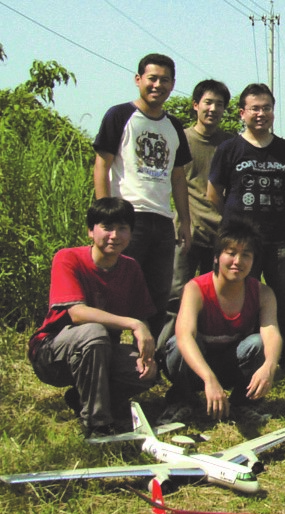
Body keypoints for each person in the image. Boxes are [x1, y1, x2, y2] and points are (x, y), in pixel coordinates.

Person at [27, 198, 158, 438]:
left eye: (122, 228)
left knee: (142, 372)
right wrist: (133, 324)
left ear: (131, 233)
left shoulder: (130, 268)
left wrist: (146, 356)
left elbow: (142, 316)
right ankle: (98, 425)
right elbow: (77, 313)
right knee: (94, 331)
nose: (114, 235)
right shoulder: (68, 258)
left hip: (100, 352)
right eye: (107, 227)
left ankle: (82, 398)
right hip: (51, 353)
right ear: (90, 230)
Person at [207, 83, 285, 369]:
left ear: (273, 112)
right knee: (238, 296)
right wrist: (234, 222)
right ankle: (241, 355)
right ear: (242, 113)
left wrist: (280, 219)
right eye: (255, 108)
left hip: (278, 239)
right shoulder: (229, 148)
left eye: (267, 108)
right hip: (240, 243)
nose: (261, 114)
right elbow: (213, 194)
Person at [93, 53, 192, 340]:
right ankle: (107, 349)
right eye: (152, 78)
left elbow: (178, 177)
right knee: (116, 288)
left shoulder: (174, 126)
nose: (158, 85)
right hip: (127, 218)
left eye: (165, 80)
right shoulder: (119, 116)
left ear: (173, 85)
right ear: (138, 80)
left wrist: (184, 221)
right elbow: (102, 164)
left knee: (158, 294)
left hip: (162, 220)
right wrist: (105, 214)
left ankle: (149, 355)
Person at [160, 217, 281, 422]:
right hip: (195, 367)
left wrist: (269, 366)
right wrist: (209, 379)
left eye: (246, 255)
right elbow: (184, 336)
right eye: (231, 253)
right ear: (216, 257)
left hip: (231, 365)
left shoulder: (263, 293)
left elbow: (272, 333)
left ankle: (243, 403)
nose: (238, 261)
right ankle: (183, 400)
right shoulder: (195, 289)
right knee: (177, 347)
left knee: (258, 343)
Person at [162, 79, 234, 346]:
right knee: (175, 295)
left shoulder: (230, 143)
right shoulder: (180, 139)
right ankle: (164, 352)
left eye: (219, 104)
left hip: (222, 234)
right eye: (208, 102)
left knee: (216, 297)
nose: (213, 109)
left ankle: (209, 349)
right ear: (195, 105)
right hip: (187, 231)